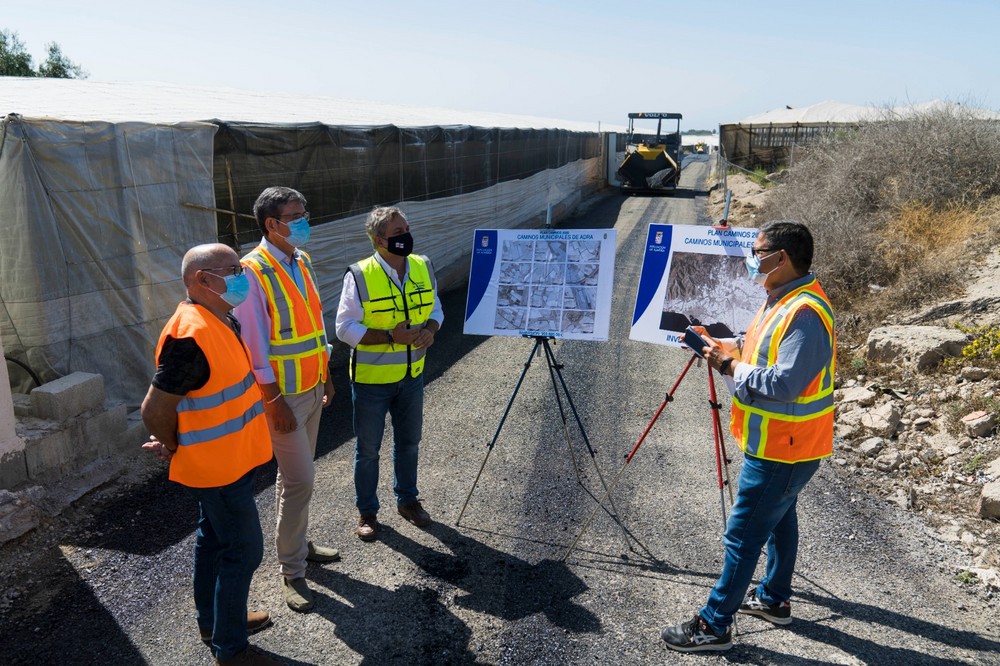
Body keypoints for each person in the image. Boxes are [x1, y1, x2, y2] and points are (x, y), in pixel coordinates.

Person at [660, 220, 835, 653]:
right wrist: (720, 345)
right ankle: (774, 600)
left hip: (785, 447)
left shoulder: (805, 313)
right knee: (779, 520)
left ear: (782, 258)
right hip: (779, 443)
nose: (752, 260)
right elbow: (759, 349)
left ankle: (714, 625)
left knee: (743, 535)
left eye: (758, 253)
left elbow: (784, 383)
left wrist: (726, 366)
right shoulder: (782, 299)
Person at [141, 243, 280, 666]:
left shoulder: (216, 318)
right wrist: (171, 443)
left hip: (228, 461)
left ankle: (215, 622)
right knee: (245, 550)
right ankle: (231, 649)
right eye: (233, 269)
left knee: (214, 541)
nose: (243, 276)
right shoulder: (190, 335)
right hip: (216, 469)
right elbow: (154, 409)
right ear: (202, 280)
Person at [233, 187, 339, 614]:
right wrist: (271, 399)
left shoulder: (300, 259)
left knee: (295, 477)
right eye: (295, 216)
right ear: (271, 225)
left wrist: (327, 375)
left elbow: (315, 324)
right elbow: (254, 343)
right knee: (300, 480)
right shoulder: (252, 271)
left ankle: (297, 543)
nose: (303, 220)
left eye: (304, 211)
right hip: (283, 396)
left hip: (311, 384)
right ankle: (292, 570)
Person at [335, 206, 443, 542]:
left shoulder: (422, 265)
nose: (406, 237)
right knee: (368, 450)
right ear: (379, 240)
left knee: (409, 443)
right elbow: (343, 327)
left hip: (412, 375)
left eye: (407, 229)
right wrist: (387, 337)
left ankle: (408, 501)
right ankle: (367, 512)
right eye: (398, 233)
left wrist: (431, 329)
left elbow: (435, 307)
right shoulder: (360, 274)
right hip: (371, 381)